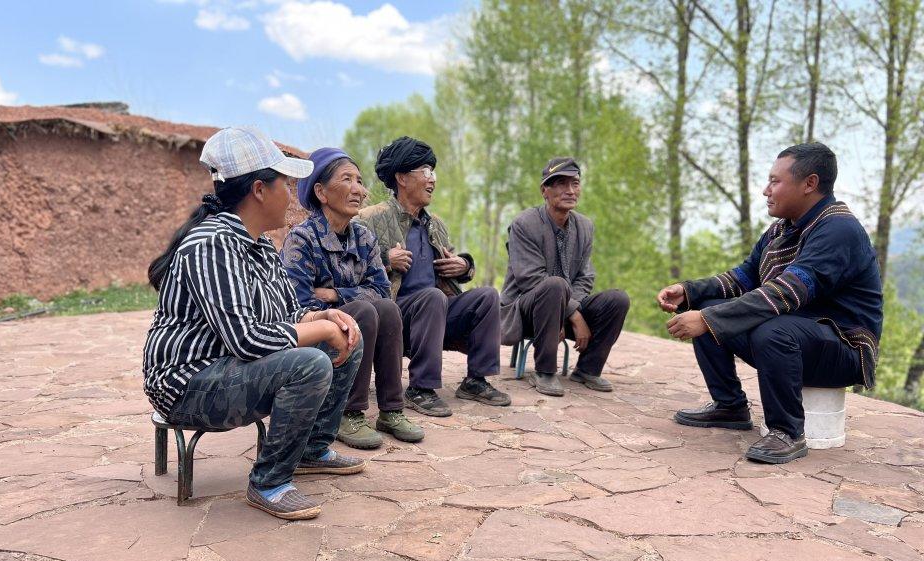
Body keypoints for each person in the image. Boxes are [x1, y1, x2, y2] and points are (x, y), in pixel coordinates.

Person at [142, 126, 366, 520]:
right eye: (285, 184)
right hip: (187, 384)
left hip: (231, 367)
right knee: (310, 362)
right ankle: (269, 482)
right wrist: (319, 329)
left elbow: (287, 314)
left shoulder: (261, 245)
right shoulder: (211, 243)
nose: (291, 196)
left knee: (346, 336)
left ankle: (311, 450)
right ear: (260, 190)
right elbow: (245, 340)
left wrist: (323, 317)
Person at [657, 142, 883, 464]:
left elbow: (785, 293)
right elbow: (742, 278)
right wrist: (689, 291)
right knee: (708, 303)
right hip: (798, 336)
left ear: (809, 183)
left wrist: (708, 320)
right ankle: (730, 406)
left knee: (769, 329)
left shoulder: (839, 229)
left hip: (845, 348)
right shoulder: (781, 230)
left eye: (775, 181)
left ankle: (787, 432)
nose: (766, 190)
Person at [281, 147, 424, 449]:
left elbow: (382, 290)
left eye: (359, 181)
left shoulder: (364, 238)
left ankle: (391, 410)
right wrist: (349, 305)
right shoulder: (302, 239)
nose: (359, 189)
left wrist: (335, 294)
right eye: (347, 179)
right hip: (317, 338)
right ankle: (348, 412)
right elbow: (297, 305)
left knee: (386, 308)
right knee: (364, 310)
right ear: (321, 192)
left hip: (354, 330)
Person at [358, 136, 510, 416]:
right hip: (394, 315)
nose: (433, 180)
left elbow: (448, 267)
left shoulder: (435, 223)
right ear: (402, 178)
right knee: (431, 297)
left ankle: (476, 380)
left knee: (488, 295)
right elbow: (350, 267)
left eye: (433, 173)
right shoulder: (368, 219)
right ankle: (420, 388)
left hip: (435, 313)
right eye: (426, 171)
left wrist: (463, 266)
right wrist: (385, 260)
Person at [501, 157, 631, 396]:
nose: (570, 190)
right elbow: (531, 279)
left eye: (575, 183)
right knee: (554, 285)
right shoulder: (524, 224)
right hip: (526, 310)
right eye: (561, 183)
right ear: (544, 190)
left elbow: (585, 277)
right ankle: (545, 371)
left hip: (563, 306)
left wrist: (567, 311)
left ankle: (587, 370)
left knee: (617, 299)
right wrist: (574, 314)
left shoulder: (585, 226)